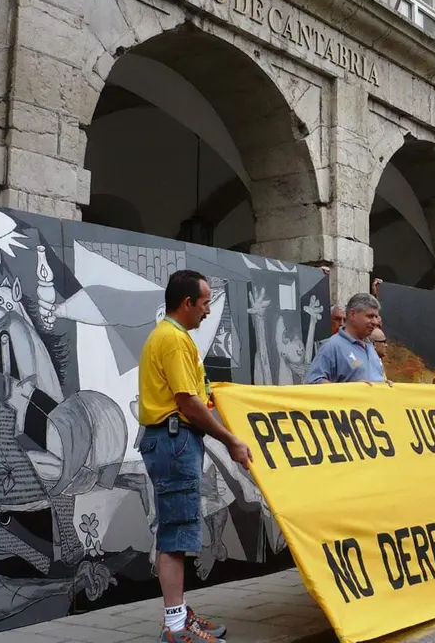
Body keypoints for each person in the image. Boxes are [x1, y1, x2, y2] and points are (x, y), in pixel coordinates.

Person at [138, 270, 253, 643]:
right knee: (175, 535)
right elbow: (187, 402)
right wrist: (230, 440)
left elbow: (191, 395)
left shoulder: (173, 337)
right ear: (187, 303)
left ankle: (179, 615)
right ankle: (174, 627)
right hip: (174, 442)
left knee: (178, 529)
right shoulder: (173, 340)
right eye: (204, 303)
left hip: (173, 441)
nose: (207, 311)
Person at [305, 293, 387, 384]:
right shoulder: (332, 347)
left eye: (376, 317)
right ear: (352, 314)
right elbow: (313, 382)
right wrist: (349, 389)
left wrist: (383, 384)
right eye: (370, 316)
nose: (375, 322)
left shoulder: (370, 346)